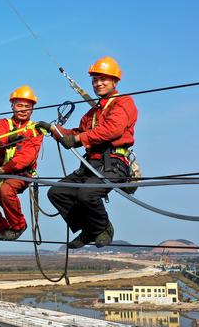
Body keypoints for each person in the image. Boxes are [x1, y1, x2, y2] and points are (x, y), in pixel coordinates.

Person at [36, 56, 137, 249]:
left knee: (87, 194)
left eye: (103, 79)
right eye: (95, 80)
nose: (98, 83)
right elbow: (78, 133)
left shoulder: (123, 102)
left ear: (115, 80)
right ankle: (89, 229)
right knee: (57, 193)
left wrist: (77, 139)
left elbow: (112, 129)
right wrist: (54, 130)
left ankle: (103, 228)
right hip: (91, 164)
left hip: (113, 162)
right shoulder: (93, 114)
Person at [0, 85, 44, 240]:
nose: (23, 109)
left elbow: (27, 157)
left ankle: (19, 226)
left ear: (32, 109)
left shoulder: (35, 130)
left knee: (5, 192)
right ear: (12, 106)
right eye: (20, 105)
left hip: (21, 172)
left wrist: (4, 170)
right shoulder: (2, 124)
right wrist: (12, 138)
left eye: (28, 106)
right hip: (0, 171)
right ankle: (4, 228)